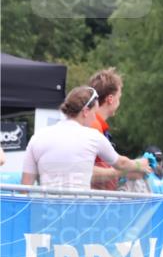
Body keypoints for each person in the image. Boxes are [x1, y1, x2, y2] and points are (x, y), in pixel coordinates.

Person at [21, 86, 150, 189]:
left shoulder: (38, 137)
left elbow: (25, 189)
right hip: (79, 214)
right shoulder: (93, 136)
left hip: (46, 215)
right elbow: (121, 163)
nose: (95, 118)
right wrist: (140, 164)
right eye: (95, 112)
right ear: (86, 111)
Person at [87, 68, 125, 191]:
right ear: (110, 99)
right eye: (119, 98)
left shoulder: (96, 125)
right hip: (91, 203)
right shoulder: (94, 126)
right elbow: (84, 170)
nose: (119, 103)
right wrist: (123, 171)